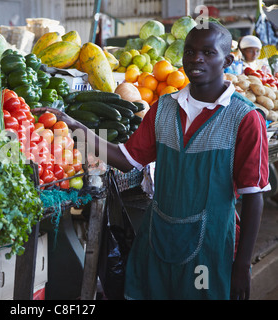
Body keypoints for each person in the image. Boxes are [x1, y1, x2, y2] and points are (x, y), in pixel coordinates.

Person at [35, 22, 270, 300]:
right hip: (158, 241)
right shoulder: (164, 108)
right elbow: (126, 158)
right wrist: (73, 125)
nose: (197, 59)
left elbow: (254, 197)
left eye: (208, 52)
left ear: (227, 60)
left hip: (211, 247)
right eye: (190, 51)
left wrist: (242, 266)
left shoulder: (244, 119)